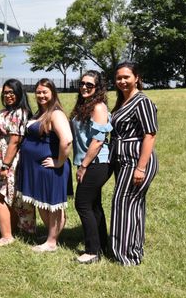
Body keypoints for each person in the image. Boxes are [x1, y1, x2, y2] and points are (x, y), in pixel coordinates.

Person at [110, 62, 158, 266]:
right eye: (118, 78)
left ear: (136, 77)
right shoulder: (123, 101)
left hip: (136, 161)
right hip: (123, 161)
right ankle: (132, 251)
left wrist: (141, 167)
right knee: (132, 206)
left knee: (122, 204)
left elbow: (150, 134)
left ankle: (125, 256)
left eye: (126, 77)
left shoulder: (142, 102)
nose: (122, 81)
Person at [18, 78, 73, 252]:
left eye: (45, 92)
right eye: (38, 92)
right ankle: (52, 234)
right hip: (36, 168)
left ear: (53, 93)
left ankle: (51, 242)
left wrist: (59, 162)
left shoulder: (56, 114)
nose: (41, 95)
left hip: (50, 168)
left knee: (52, 205)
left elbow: (67, 140)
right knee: (41, 203)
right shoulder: (39, 113)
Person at [0, 79, 36, 246]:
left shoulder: (19, 112)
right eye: (6, 92)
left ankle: (7, 236)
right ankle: (9, 230)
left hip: (7, 158)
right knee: (7, 196)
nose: (8, 95)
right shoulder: (7, 111)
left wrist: (5, 165)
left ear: (19, 94)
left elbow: (15, 140)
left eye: (12, 92)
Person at [70, 71, 112, 263]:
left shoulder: (98, 107)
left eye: (90, 85)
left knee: (83, 203)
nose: (85, 87)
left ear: (98, 88)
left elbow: (98, 140)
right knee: (94, 205)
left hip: (97, 163)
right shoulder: (84, 106)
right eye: (82, 83)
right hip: (89, 162)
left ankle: (92, 251)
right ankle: (103, 244)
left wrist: (83, 166)